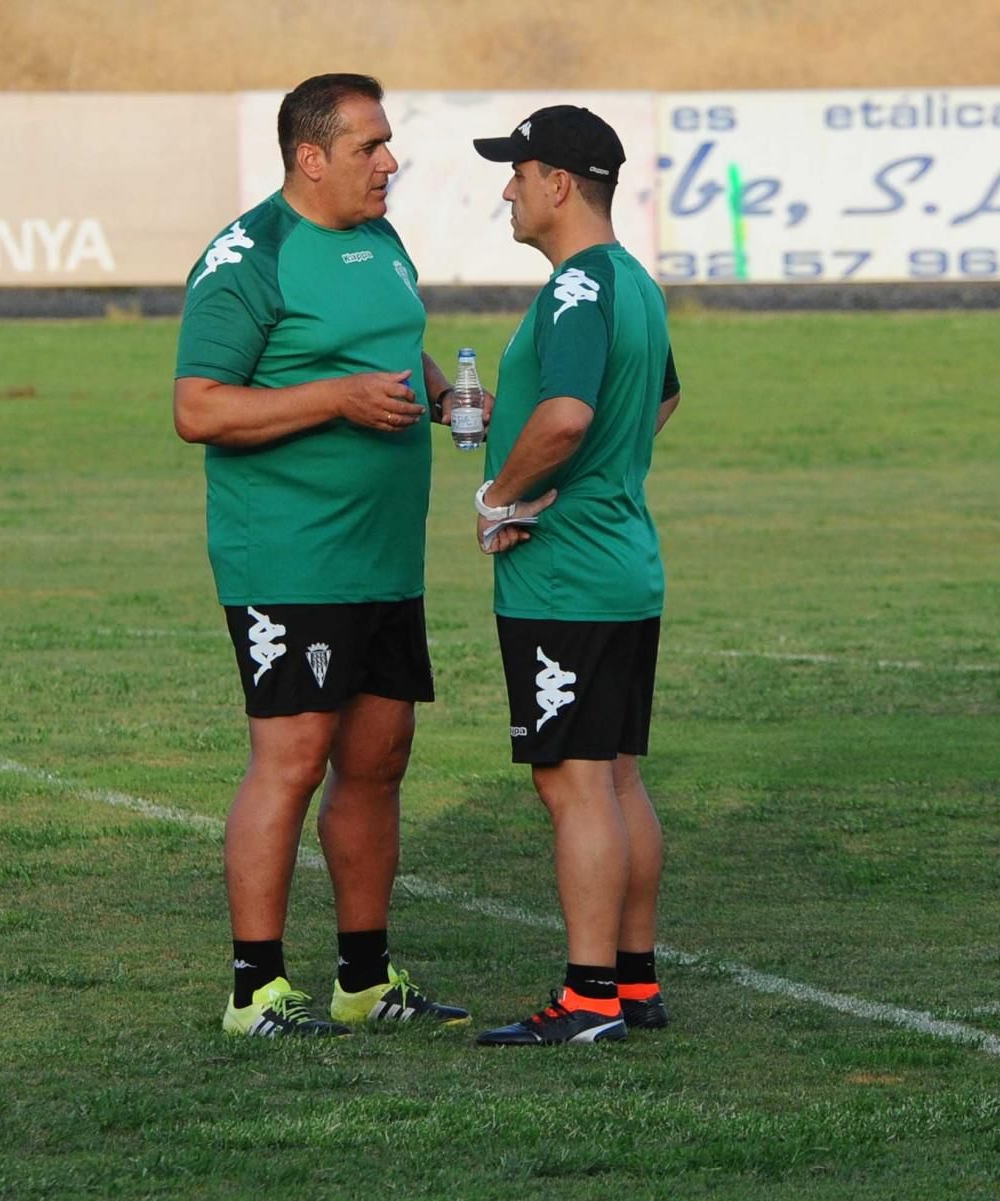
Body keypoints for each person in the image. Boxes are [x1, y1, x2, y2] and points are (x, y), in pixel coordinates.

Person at [173, 73, 469, 1038]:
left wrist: (436, 392)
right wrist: (337, 399)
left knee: (379, 760)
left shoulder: (380, 237)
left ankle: (364, 980)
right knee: (292, 760)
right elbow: (199, 407)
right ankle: (254, 989)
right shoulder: (248, 256)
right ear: (310, 157)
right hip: (290, 557)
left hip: (386, 557)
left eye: (388, 145)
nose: (390, 164)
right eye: (369, 148)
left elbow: (388, 342)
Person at [467, 105, 682, 1046]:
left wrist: (504, 499)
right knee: (618, 776)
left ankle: (589, 996)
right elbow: (663, 396)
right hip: (625, 562)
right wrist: (593, 480)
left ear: (560, 183)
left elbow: (562, 418)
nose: (506, 189)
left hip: (568, 578)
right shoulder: (631, 281)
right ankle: (634, 983)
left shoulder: (574, 292)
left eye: (518, 171)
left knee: (572, 782)